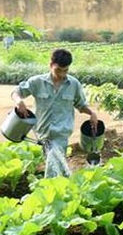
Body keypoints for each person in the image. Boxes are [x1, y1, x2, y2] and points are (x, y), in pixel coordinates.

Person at [12, 48, 98, 178]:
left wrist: (92, 113)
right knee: (55, 163)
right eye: (58, 70)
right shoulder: (37, 82)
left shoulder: (73, 84)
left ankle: (49, 189)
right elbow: (16, 92)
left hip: (61, 133)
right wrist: (19, 102)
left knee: (53, 163)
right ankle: (66, 186)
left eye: (65, 71)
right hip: (42, 133)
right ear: (51, 65)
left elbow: (80, 104)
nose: (62, 74)